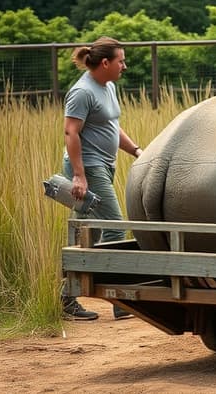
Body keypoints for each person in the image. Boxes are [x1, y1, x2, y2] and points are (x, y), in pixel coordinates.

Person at [61, 36, 142, 320]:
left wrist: (135, 150)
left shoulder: (107, 86)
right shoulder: (82, 91)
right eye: (121, 60)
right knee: (115, 228)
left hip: (104, 166)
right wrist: (80, 176)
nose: (125, 65)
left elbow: (112, 126)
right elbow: (71, 132)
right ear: (105, 62)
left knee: (88, 234)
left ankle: (66, 300)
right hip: (89, 169)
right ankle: (120, 301)